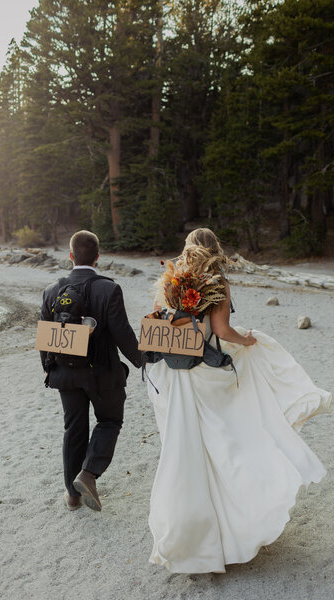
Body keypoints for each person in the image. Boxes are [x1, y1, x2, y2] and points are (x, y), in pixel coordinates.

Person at [147, 227, 332, 574]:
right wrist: (246, 340)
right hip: (204, 374)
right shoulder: (215, 280)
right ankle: (236, 523)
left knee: (186, 450)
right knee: (227, 446)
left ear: (187, 248)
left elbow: (159, 321)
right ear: (215, 248)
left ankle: (192, 538)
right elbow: (221, 331)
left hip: (174, 373)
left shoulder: (170, 280)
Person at [40, 230, 142, 512]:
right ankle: (88, 474)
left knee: (73, 429)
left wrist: (49, 370)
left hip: (64, 373)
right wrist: (143, 361)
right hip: (102, 373)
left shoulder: (51, 291)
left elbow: (45, 339)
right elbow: (122, 334)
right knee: (110, 421)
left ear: (70, 256)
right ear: (98, 257)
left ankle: (72, 497)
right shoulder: (108, 289)